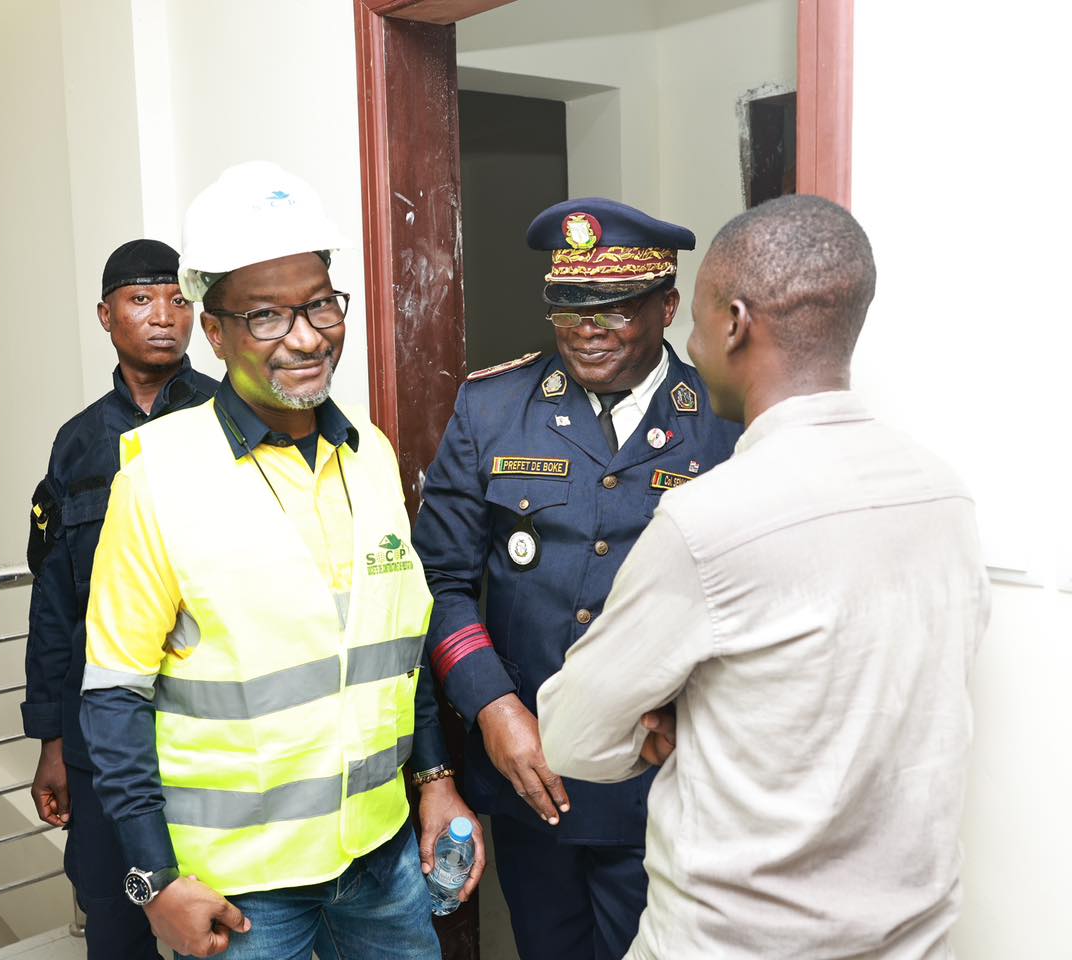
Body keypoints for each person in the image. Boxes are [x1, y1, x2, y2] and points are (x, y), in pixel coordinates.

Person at [538, 195, 989, 958]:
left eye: (698, 316)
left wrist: (671, 724)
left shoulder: (708, 520)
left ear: (735, 322)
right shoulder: (943, 491)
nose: (689, 337)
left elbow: (574, 735)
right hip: (911, 937)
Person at [80, 161, 483, 960]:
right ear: (215, 331)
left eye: (320, 305)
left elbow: (395, 651)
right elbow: (113, 697)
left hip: (382, 859)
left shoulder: (368, 453)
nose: (306, 337)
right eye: (266, 316)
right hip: (239, 890)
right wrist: (155, 880)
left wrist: (435, 784)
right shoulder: (156, 472)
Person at [413, 197, 743, 959]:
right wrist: (493, 709)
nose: (586, 330)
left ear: (665, 306)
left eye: (613, 308)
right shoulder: (492, 408)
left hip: (664, 775)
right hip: (533, 767)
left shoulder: (723, 421)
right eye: (568, 306)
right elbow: (440, 583)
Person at [21, 238, 216, 958]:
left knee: (222, 916)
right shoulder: (76, 446)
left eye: (177, 298)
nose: (163, 315)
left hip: (206, 728)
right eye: (141, 299)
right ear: (106, 315)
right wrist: (51, 740)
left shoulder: (232, 422)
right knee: (114, 912)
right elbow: (54, 604)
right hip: (102, 729)